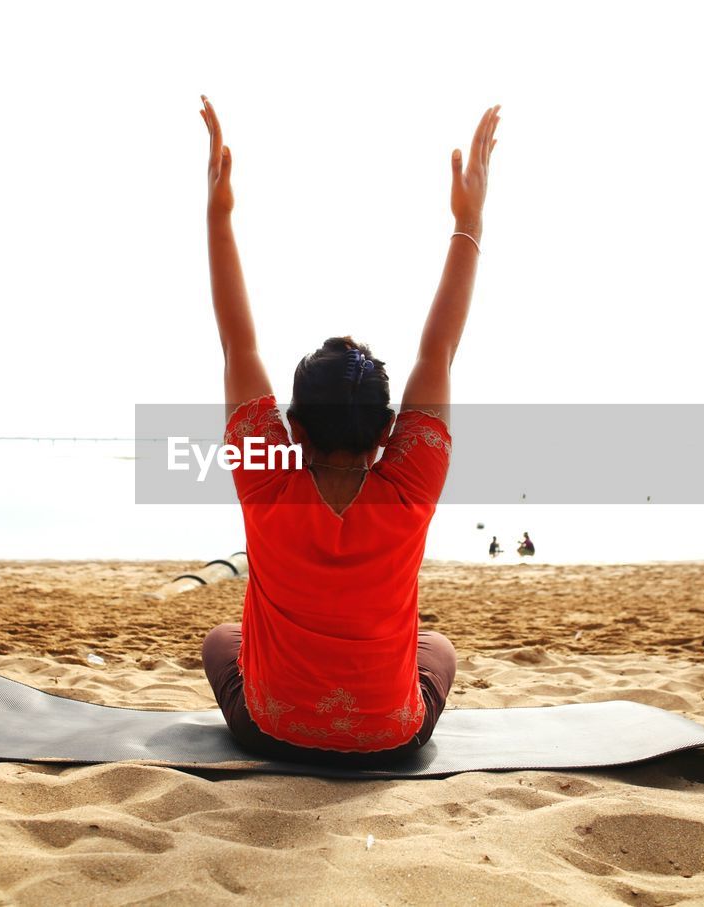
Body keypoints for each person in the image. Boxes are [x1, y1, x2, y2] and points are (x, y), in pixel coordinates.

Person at [198, 95, 500, 767]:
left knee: (222, 639)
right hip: (389, 735)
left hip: (270, 727)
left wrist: (219, 215)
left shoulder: (266, 476)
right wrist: (468, 222)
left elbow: (235, 342)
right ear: (387, 431)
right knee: (439, 649)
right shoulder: (410, 482)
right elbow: (438, 353)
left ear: (292, 431)